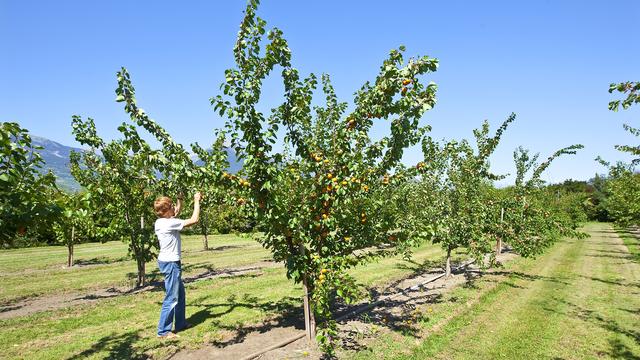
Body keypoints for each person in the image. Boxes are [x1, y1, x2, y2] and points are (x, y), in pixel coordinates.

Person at [153, 192, 201, 338]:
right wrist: (196, 200)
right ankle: (163, 331)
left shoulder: (160, 221)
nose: (175, 208)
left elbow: (177, 212)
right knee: (172, 297)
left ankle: (180, 324)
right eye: (172, 206)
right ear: (167, 210)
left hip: (168, 261)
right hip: (171, 263)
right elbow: (194, 219)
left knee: (180, 295)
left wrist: (180, 199)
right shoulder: (169, 223)